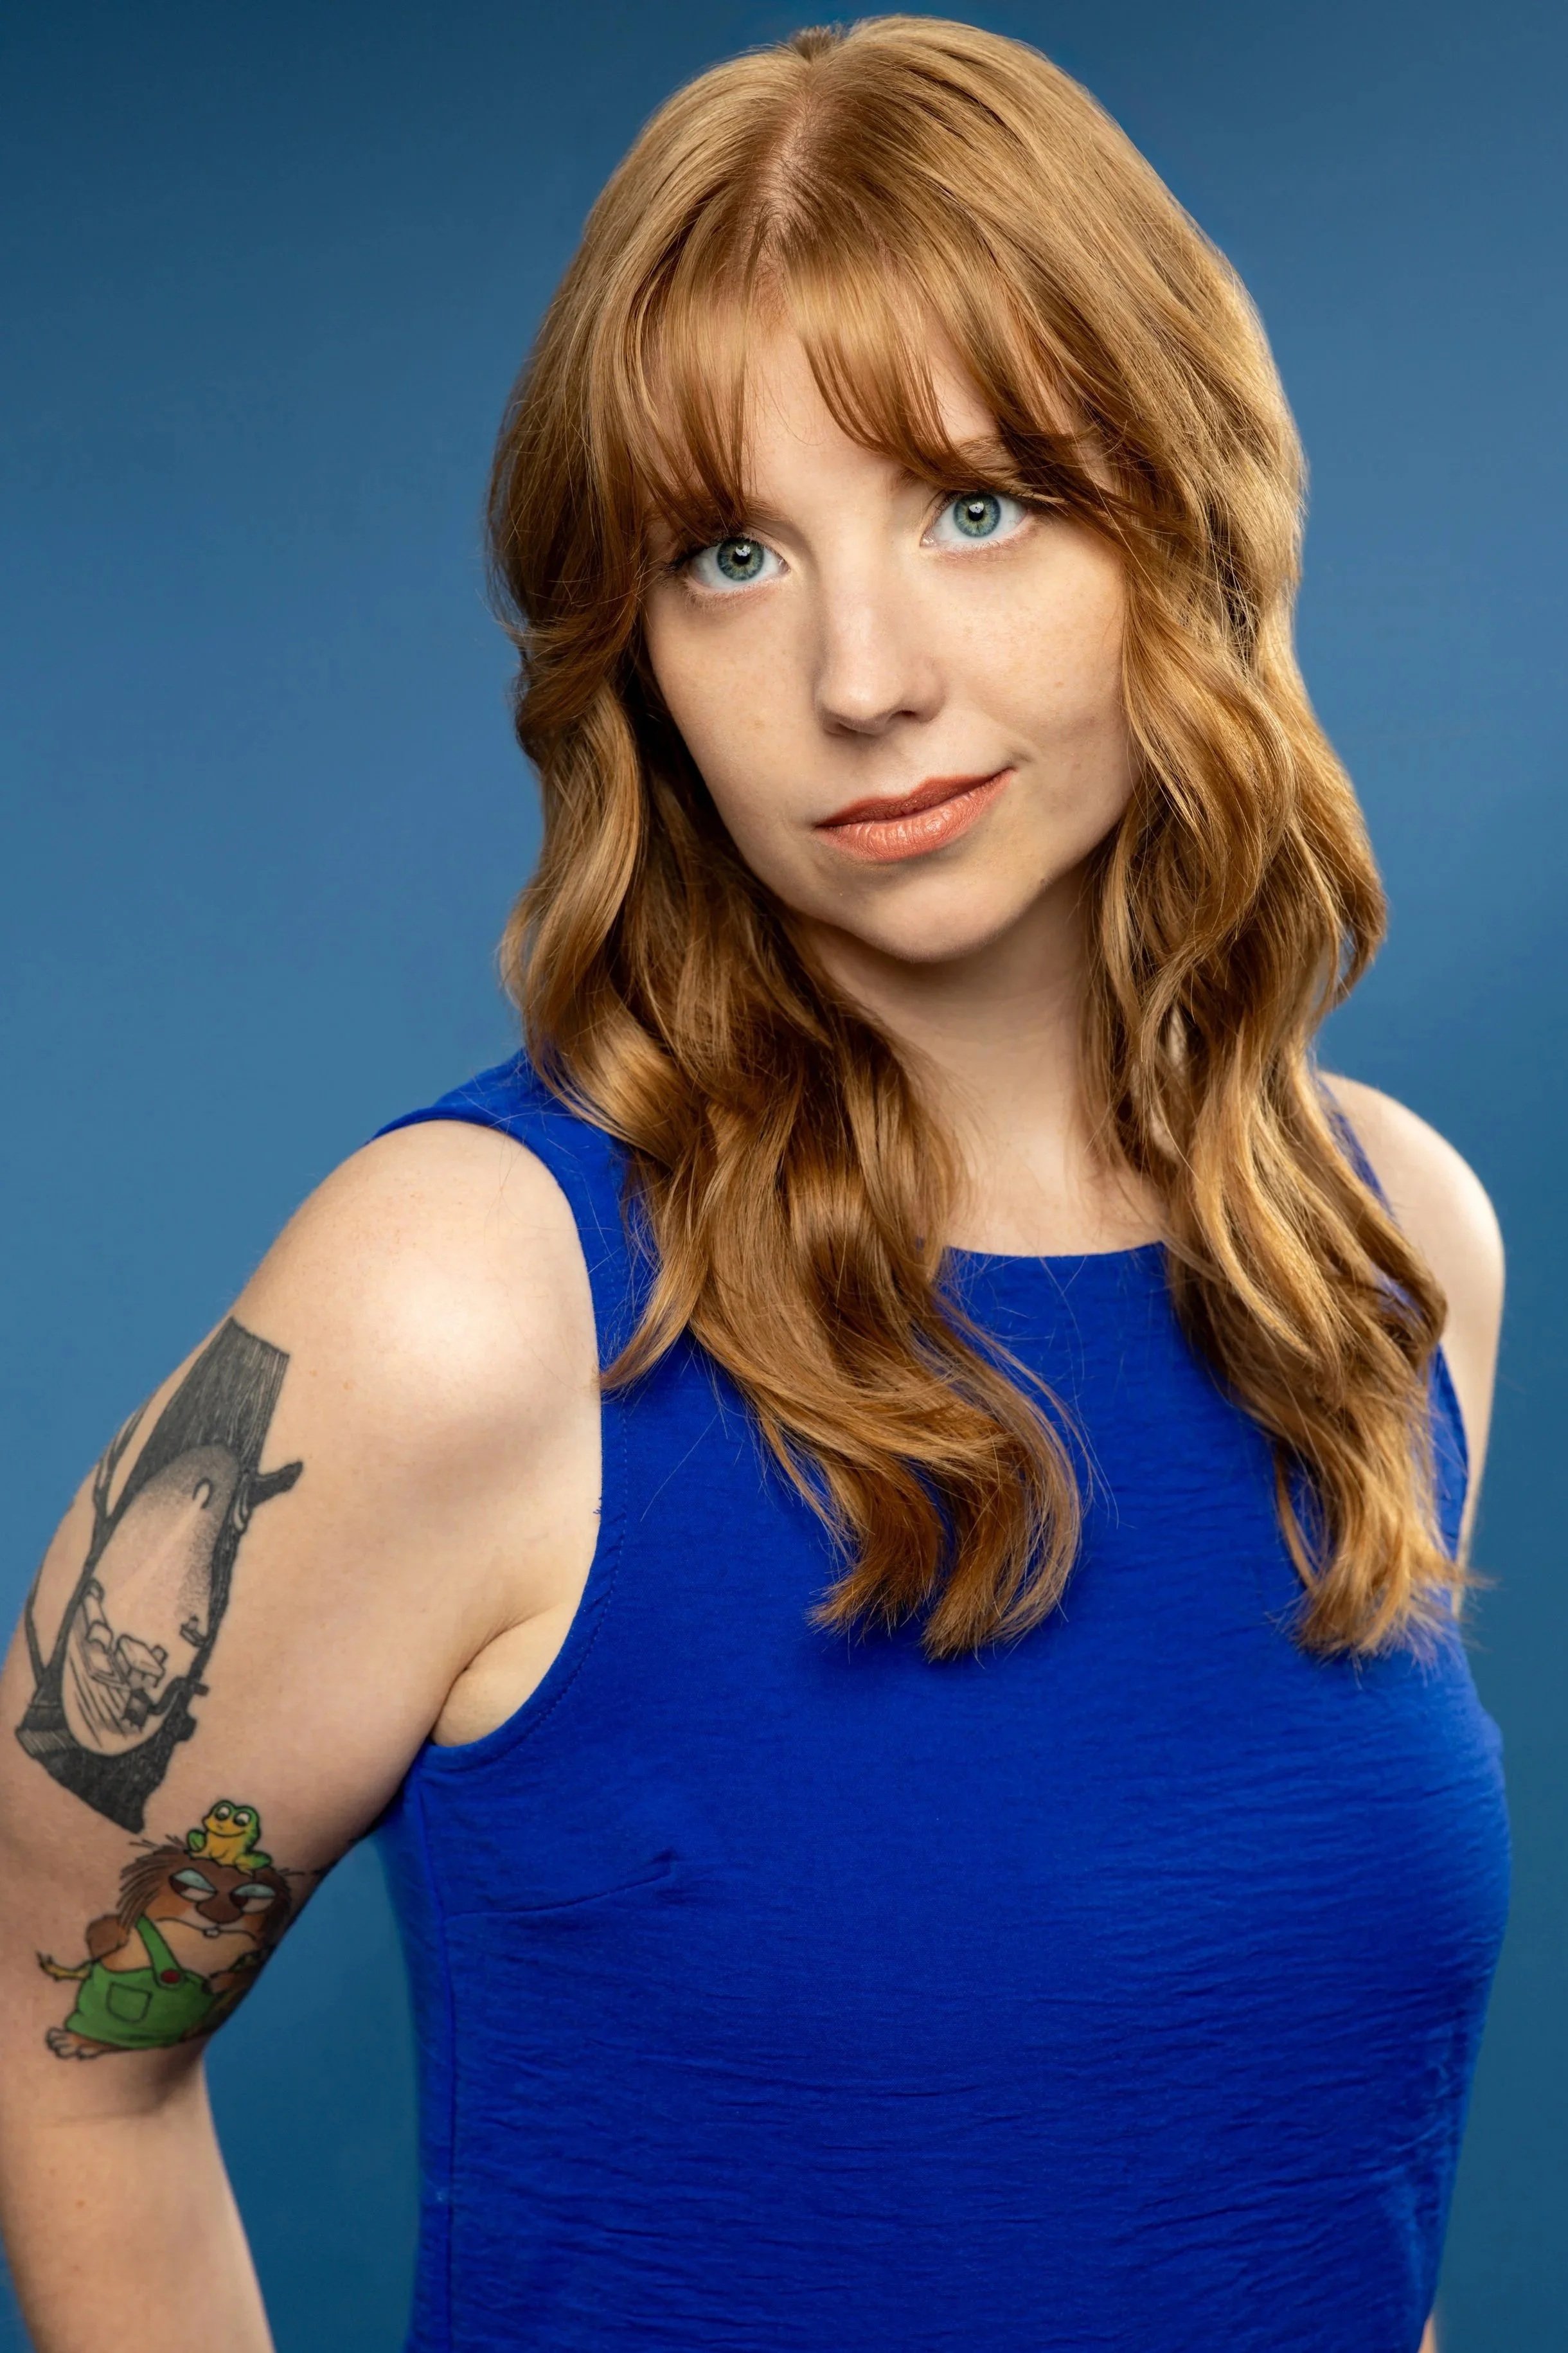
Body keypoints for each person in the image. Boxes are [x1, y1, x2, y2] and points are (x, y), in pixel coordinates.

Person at [0, 18, 1509, 2352]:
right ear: (635, 655)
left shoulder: (1384, 1247)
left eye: (976, 505)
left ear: (1182, 520)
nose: (862, 675)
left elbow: (1305, 2174)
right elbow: (55, 2036)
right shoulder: (471, 1295)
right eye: (728, 555)